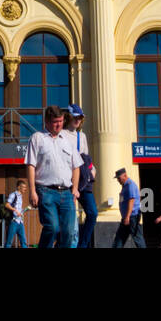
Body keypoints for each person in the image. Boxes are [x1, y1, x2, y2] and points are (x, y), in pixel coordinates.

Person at [25, 105, 81, 248]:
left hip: (67, 193)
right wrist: (32, 191)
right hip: (46, 191)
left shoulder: (68, 140)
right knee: (52, 227)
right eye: (55, 122)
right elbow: (30, 165)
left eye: (61, 121)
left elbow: (76, 166)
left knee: (69, 232)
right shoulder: (37, 138)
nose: (59, 125)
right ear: (46, 121)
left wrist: (75, 188)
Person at [65, 104, 97, 247]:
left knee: (93, 213)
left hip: (83, 180)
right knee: (69, 217)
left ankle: (82, 245)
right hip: (68, 180)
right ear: (69, 117)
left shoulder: (81, 136)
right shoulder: (62, 134)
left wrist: (92, 169)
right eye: (76, 117)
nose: (78, 120)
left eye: (80, 117)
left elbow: (86, 158)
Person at [112, 168, 144, 248]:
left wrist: (127, 217)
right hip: (127, 217)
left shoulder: (130, 185)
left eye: (119, 178)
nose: (118, 180)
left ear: (125, 175)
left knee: (137, 238)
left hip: (132, 216)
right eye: (117, 179)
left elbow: (131, 200)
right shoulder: (125, 186)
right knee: (119, 238)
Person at [3, 178, 28, 248]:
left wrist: (24, 210)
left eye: (25, 187)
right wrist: (15, 210)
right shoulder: (13, 195)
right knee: (9, 242)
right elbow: (7, 205)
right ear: (18, 187)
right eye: (24, 187)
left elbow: (18, 208)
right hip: (13, 221)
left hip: (20, 221)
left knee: (23, 241)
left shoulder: (21, 197)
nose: (25, 189)